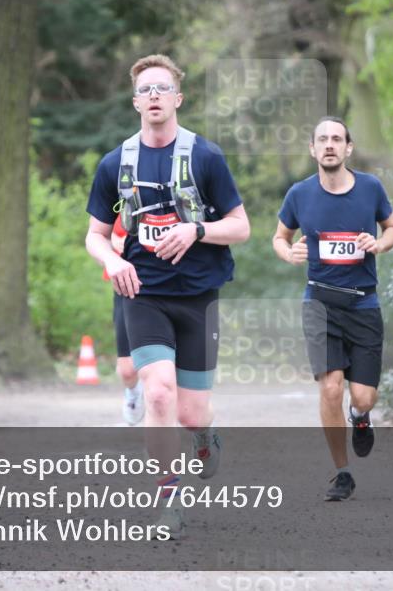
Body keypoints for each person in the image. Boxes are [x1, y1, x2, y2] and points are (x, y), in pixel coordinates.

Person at [85, 54, 250, 536]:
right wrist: (113, 260)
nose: (153, 96)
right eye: (145, 90)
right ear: (135, 101)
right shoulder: (116, 163)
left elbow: (241, 227)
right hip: (144, 293)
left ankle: (204, 436)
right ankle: (169, 504)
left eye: (162, 88)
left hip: (198, 295)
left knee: (190, 410)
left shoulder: (206, 157)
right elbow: (95, 234)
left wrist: (196, 231)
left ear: (177, 98)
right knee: (157, 393)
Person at [272, 117, 393, 501]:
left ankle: (360, 418)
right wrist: (288, 252)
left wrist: (379, 243)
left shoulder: (370, 188)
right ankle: (341, 472)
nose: (329, 145)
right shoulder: (299, 194)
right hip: (319, 302)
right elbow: (280, 236)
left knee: (362, 396)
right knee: (330, 388)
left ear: (348, 148)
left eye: (337, 139)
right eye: (322, 140)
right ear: (313, 149)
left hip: (363, 302)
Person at [103, 216, 143, 425]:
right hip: (126, 288)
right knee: (127, 370)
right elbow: (98, 235)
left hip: (170, 286)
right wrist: (112, 243)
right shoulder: (118, 190)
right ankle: (134, 394)